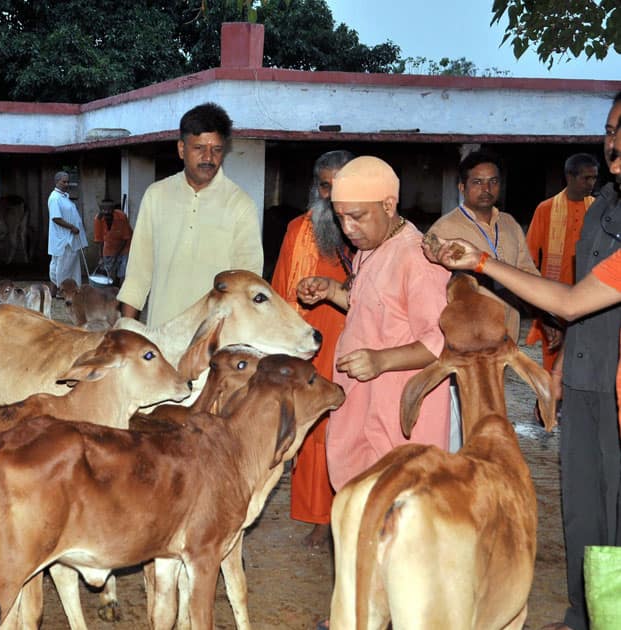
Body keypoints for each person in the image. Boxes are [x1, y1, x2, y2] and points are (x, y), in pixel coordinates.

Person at [427, 93, 621, 630]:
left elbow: (559, 293)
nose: (613, 141)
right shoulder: (601, 207)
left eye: (493, 181)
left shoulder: (512, 226)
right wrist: (559, 363)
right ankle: (583, 608)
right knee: (575, 497)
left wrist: (490, 269)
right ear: (463, 187)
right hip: (499, 362)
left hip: (550, 360)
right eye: (609, 128)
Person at [297, 156, 450, 492]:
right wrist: (331, 291)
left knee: (398, 510)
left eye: (357, 217)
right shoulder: (372, 246)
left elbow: (438, 344)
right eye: (341, 218)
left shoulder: (418, 259)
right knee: (363, 506)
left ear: (388, 204)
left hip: (399, 412)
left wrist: (381, 360)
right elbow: (368, 306)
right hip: (364, 400)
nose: (348, 229)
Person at [270, 149, 353, 549]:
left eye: (341, 186)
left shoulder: (370, 234)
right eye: (325, 186)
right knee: (315, 430)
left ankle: (349, 515)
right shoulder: (296, 230)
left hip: (355, 346)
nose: (333, 196)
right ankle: (321, 517)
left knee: (351, 431)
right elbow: (280, 292)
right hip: (311, 347)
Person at [118, 102, 264, 326]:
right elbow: (138, 273)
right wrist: (126, 331)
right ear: (181, 149)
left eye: (216, 149)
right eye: (199, 148)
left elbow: (248, 283)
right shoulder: (156, 195)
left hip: (213, 344)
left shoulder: (240, 204)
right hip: (161, 339)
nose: (208, 158)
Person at [428, 150, 539, 344]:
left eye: (493, 181)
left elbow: (527, 272)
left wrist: (545, 316)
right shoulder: (443, 230)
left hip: (508, 335)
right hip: (467, 341)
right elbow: (432, 292)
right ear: (462, 187)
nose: (486, 188)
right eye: (477, 182)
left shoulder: (509, 223)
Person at [525, 153, 600, 372]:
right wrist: (542, 310)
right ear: (569, 176)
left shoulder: (599, 211)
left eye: (594, 178)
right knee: (552, 365)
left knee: (584, 363)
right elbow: (529, 260)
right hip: (554, 302)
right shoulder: (545, 209)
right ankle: (546, 406)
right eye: (586, 178)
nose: (591, 183)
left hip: (590, 298)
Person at [47, 171, 87, 289]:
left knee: (69, 266)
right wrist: (72, 227)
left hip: (69, 238)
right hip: (64, 239)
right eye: (64, 181)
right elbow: (56, 218)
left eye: (68, 181)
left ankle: (72, 289)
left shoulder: (64, 197)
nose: (66, 184)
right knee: (63, 267)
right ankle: (63, 290)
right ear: (57, 182)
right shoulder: (55, 198)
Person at [93, 202, 132, 285]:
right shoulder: (98, 219)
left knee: (123, 269)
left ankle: (120, 287)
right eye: (104, 214)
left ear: (113, 211)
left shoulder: (122, 217)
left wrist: (116, 255)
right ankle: (109, 286)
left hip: (124, 246)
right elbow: (99, 240)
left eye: (109, 213)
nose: (107, 216)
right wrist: (101, 257)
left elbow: (125, 238)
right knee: (108, 268)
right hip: (109, 245)